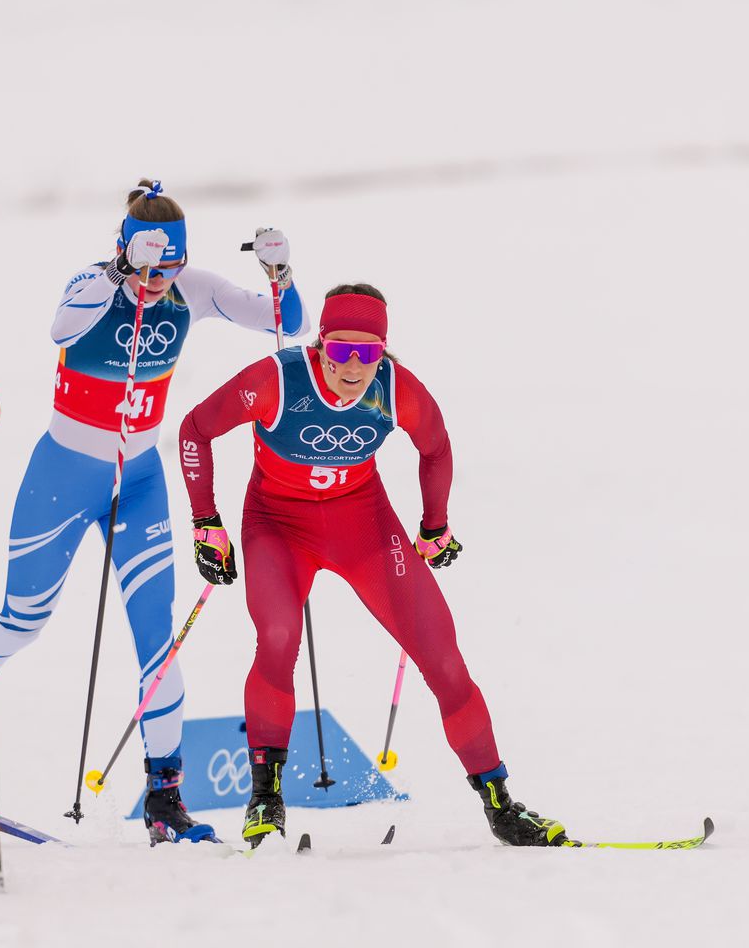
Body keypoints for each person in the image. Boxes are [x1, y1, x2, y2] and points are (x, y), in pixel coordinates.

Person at [0, 180, 302, 845]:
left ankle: (165, 795)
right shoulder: (91, 283)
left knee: (158, 644)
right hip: (64, 475)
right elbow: (61, 328)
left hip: (142, 482)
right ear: (123, 252)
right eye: (149, 267)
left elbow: (285, 322)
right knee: (24, 618)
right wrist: (125, 272)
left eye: (171, 267)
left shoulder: (196, 289)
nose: (160, 282)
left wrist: (279, 272)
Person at [177, 283, 577, 848]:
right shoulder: (276, 380)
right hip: (277, 527)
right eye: (341, 350)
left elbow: (435, 447)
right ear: (320, 346)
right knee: (278, 635)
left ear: (383, 351)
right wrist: (205, 523)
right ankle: (265, 797)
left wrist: (434, 526)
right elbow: (196, 428)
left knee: (442, 654)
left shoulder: (396, 390)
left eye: (367, 353)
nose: (353, 366)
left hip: (363, 527)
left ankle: (501, 805)